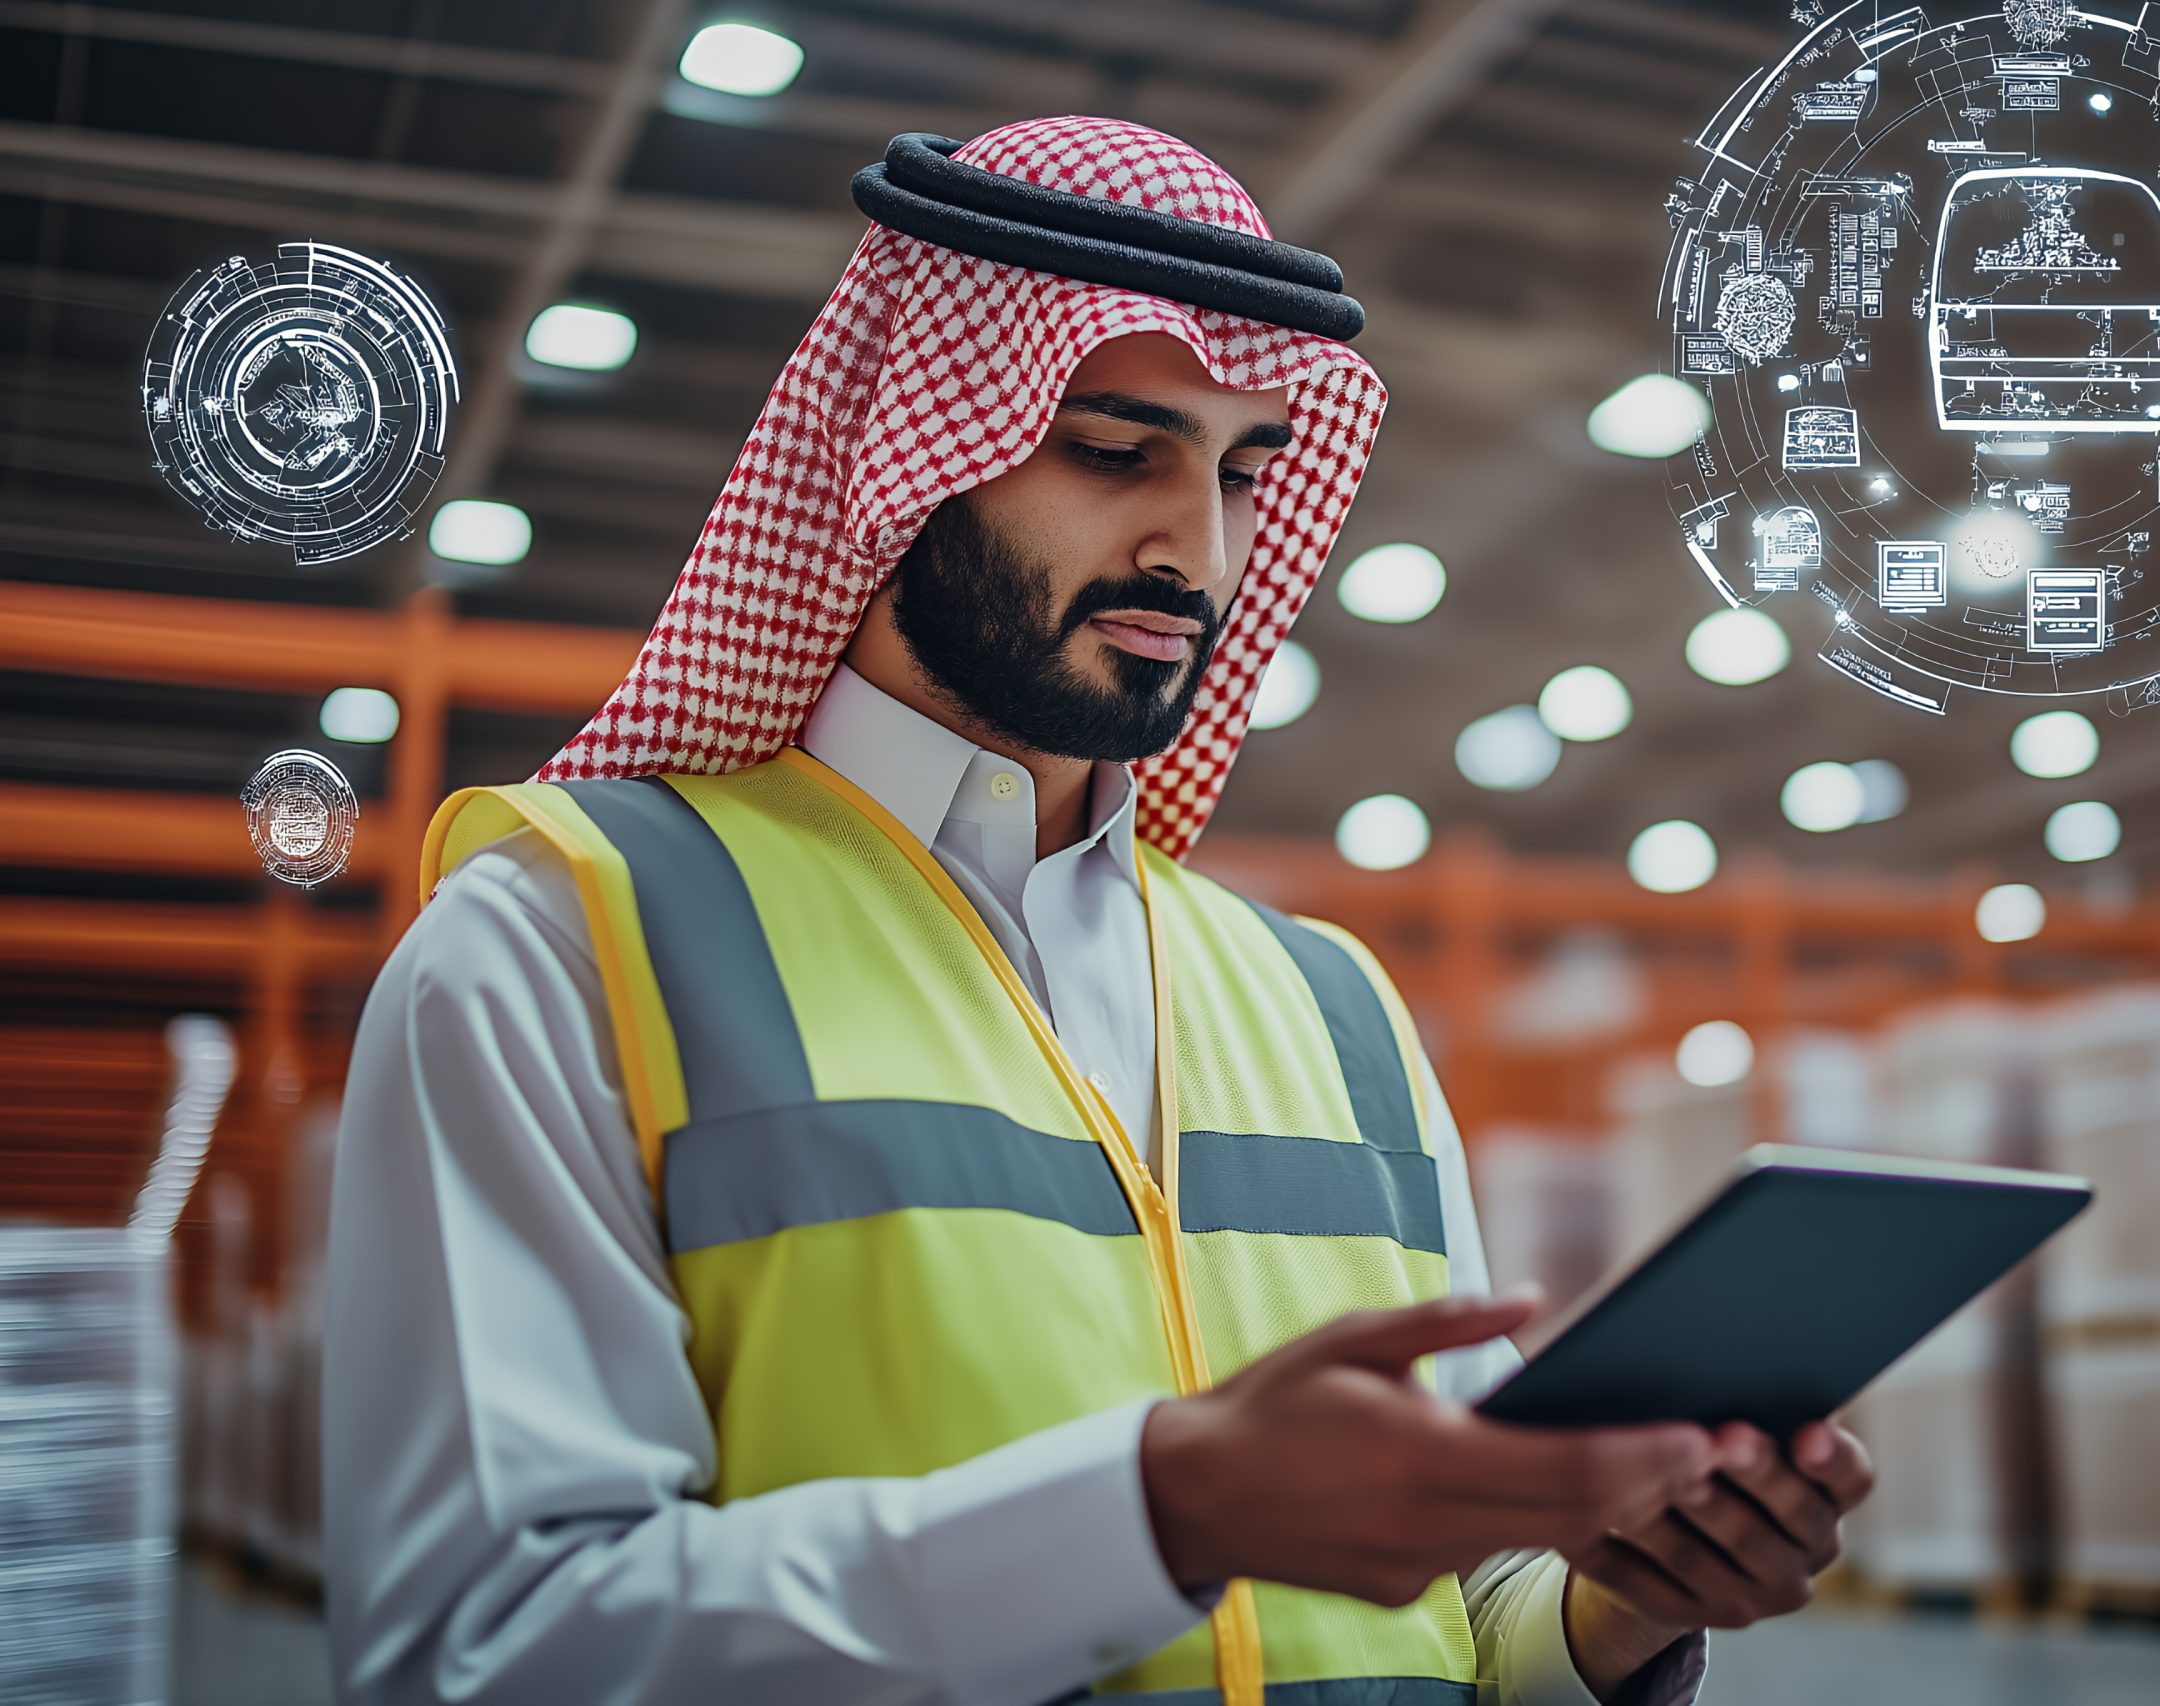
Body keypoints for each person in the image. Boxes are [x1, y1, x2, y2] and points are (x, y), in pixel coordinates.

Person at [322, 116, 1873, 1706]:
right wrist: (1159, 1510)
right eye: (1114, 449)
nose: (1192, 547)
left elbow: (1468, 1620)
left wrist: (1612, 1610)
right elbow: (487, 1650)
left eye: (1243, 471)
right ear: (906, 446)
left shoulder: (1332, 1009)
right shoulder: (564, 947)